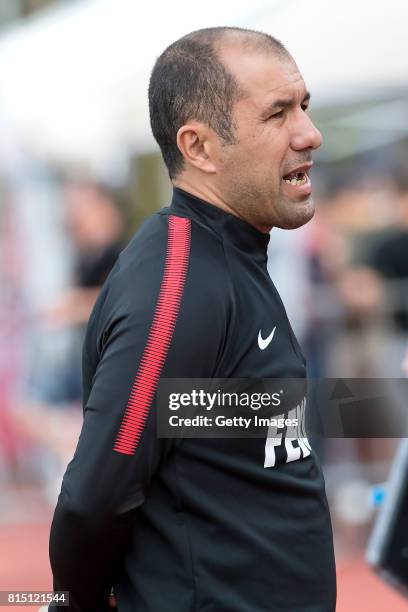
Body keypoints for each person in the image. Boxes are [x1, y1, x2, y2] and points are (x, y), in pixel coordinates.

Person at [49, 27, 336, 611]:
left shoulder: (231, 257)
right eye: (278, 114)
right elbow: (93, 499)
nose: (310, 134)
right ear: (199, 147)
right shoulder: (180, 282)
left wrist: (386, 403)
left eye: (303, 106)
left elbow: (231, 417)